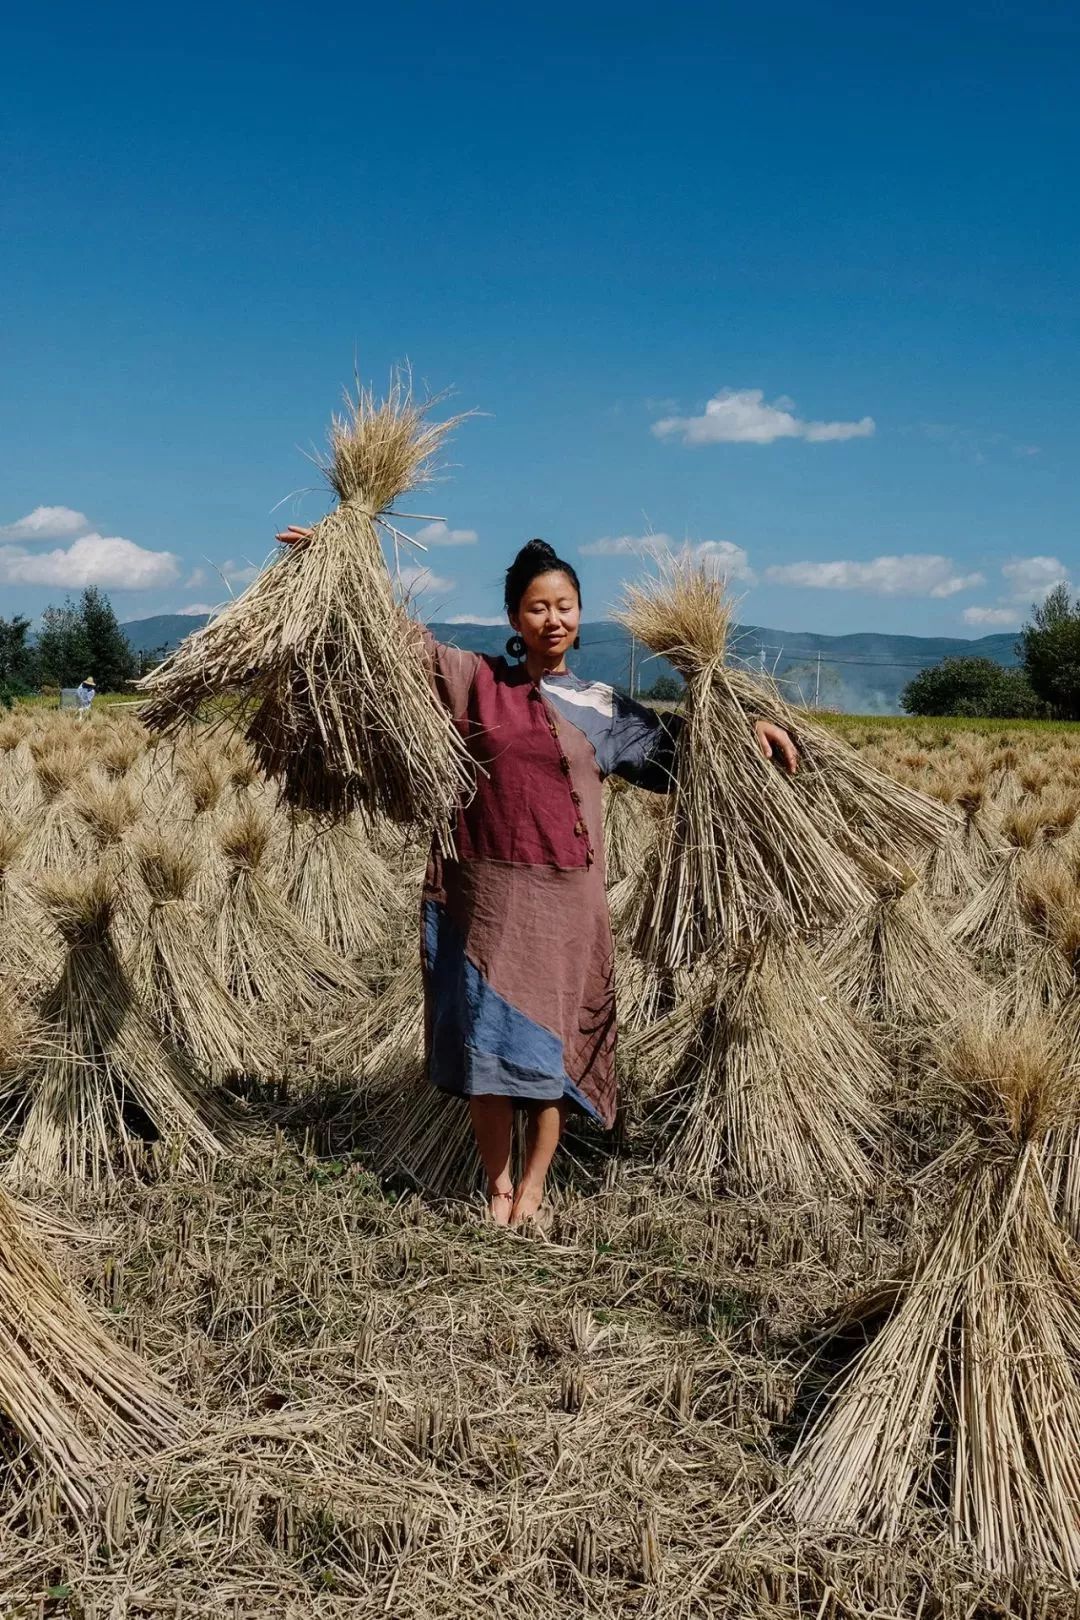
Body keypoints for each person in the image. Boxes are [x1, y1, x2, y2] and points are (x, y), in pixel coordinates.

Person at [275, 528, 798, 1228]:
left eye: (566, 606)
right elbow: (392, 640)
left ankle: (534, 1190)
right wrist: (342, 556)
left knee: (547, 1057)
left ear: (580, 616)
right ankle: (496, 1188)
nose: (554, 619)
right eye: (538, 607)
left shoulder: (605, 708)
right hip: (487, 893)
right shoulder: (471, 680)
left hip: (565, 900)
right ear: (514, 619)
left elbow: (682, 759)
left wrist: (746, 727)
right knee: (488, 1052)